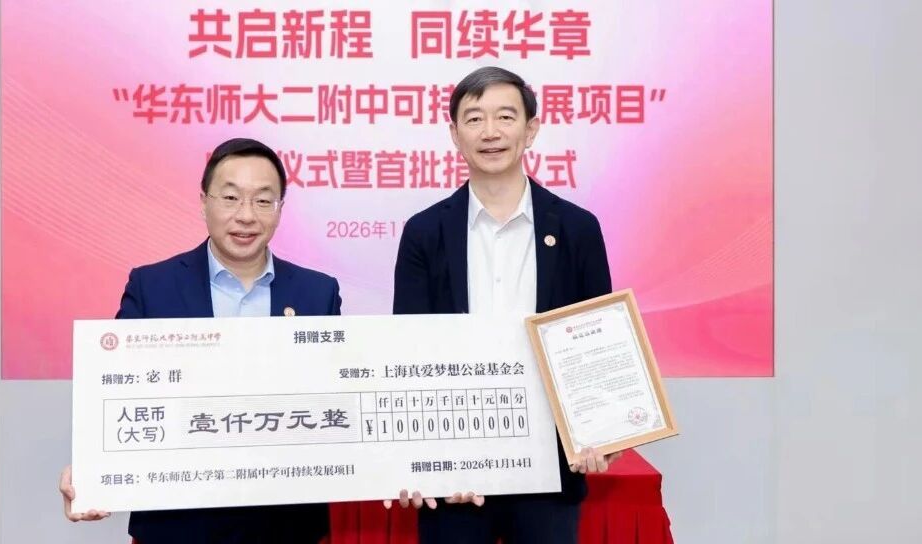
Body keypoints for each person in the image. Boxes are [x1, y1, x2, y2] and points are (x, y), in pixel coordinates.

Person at [58, 137, 339, 544]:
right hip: (178, 526)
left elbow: (335, 405)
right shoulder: (153, 286)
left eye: (263, 201)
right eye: (230, 197)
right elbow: (118, 394)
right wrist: (92, 471)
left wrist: (395, 464)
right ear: (203, 202)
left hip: (286, 527)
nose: (246, 215)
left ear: (281, 208)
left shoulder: (318, 293)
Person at [390, 66, 620, 543]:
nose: (490, 132)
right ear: (454, 134)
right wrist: (420, 458)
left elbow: (598, 344)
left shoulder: (578, 229)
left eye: (505, 117)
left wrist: (603, 429)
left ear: (530, 129)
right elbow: (409, 352)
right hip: (455, 472)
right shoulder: (424, 233)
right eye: (474, 119)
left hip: (551, 468)